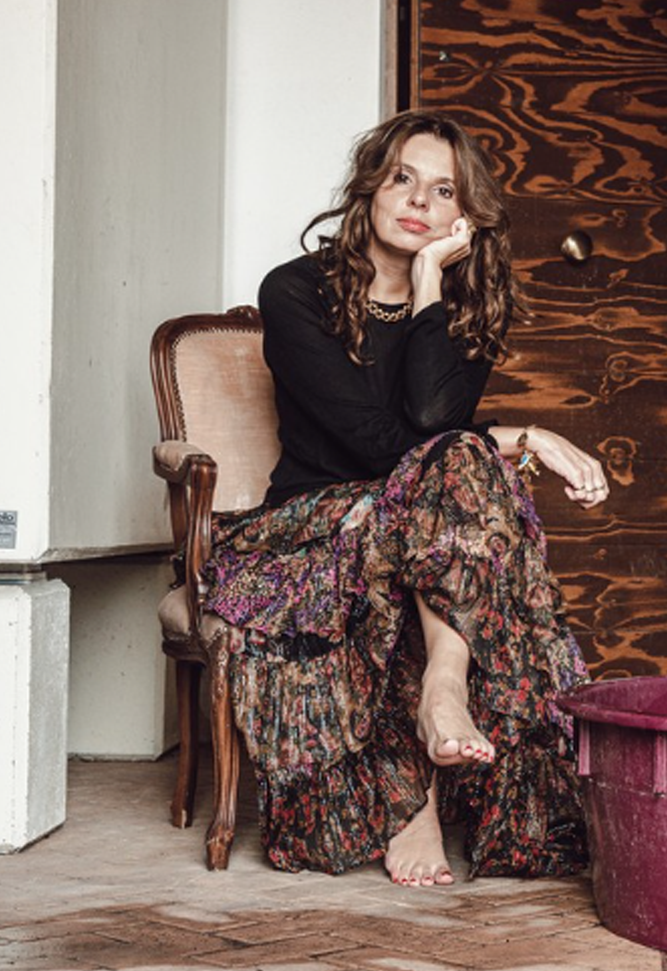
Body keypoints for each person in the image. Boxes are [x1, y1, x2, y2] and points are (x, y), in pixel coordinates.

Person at [201, 109, 609, 887]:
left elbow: (434, 432)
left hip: (416, 520)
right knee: (448, 480)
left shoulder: (463, 305)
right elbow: (383, 443)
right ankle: (418, 769)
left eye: (444, 189)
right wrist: (523, 437)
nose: (419, 201)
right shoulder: (295, 292)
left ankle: (439, 694)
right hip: (309, 532)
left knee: (450, 476)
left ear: (465, 216)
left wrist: (428, 290)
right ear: (371, 186)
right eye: (403, 178)